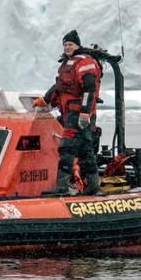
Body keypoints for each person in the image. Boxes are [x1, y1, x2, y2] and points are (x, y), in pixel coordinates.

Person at [35, 30, 103, 195]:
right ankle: (93, 186)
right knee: (85, 149)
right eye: (65, 45)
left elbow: (89, 89)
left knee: (66, 147)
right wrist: (45, 99)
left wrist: (85, 113)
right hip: (70, 113)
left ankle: (62, 187)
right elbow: (59, 86)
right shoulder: (68, 64)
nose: (67, 47)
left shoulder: (85, 62)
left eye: (70, 44)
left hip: (78, 113)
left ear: (77, 45)